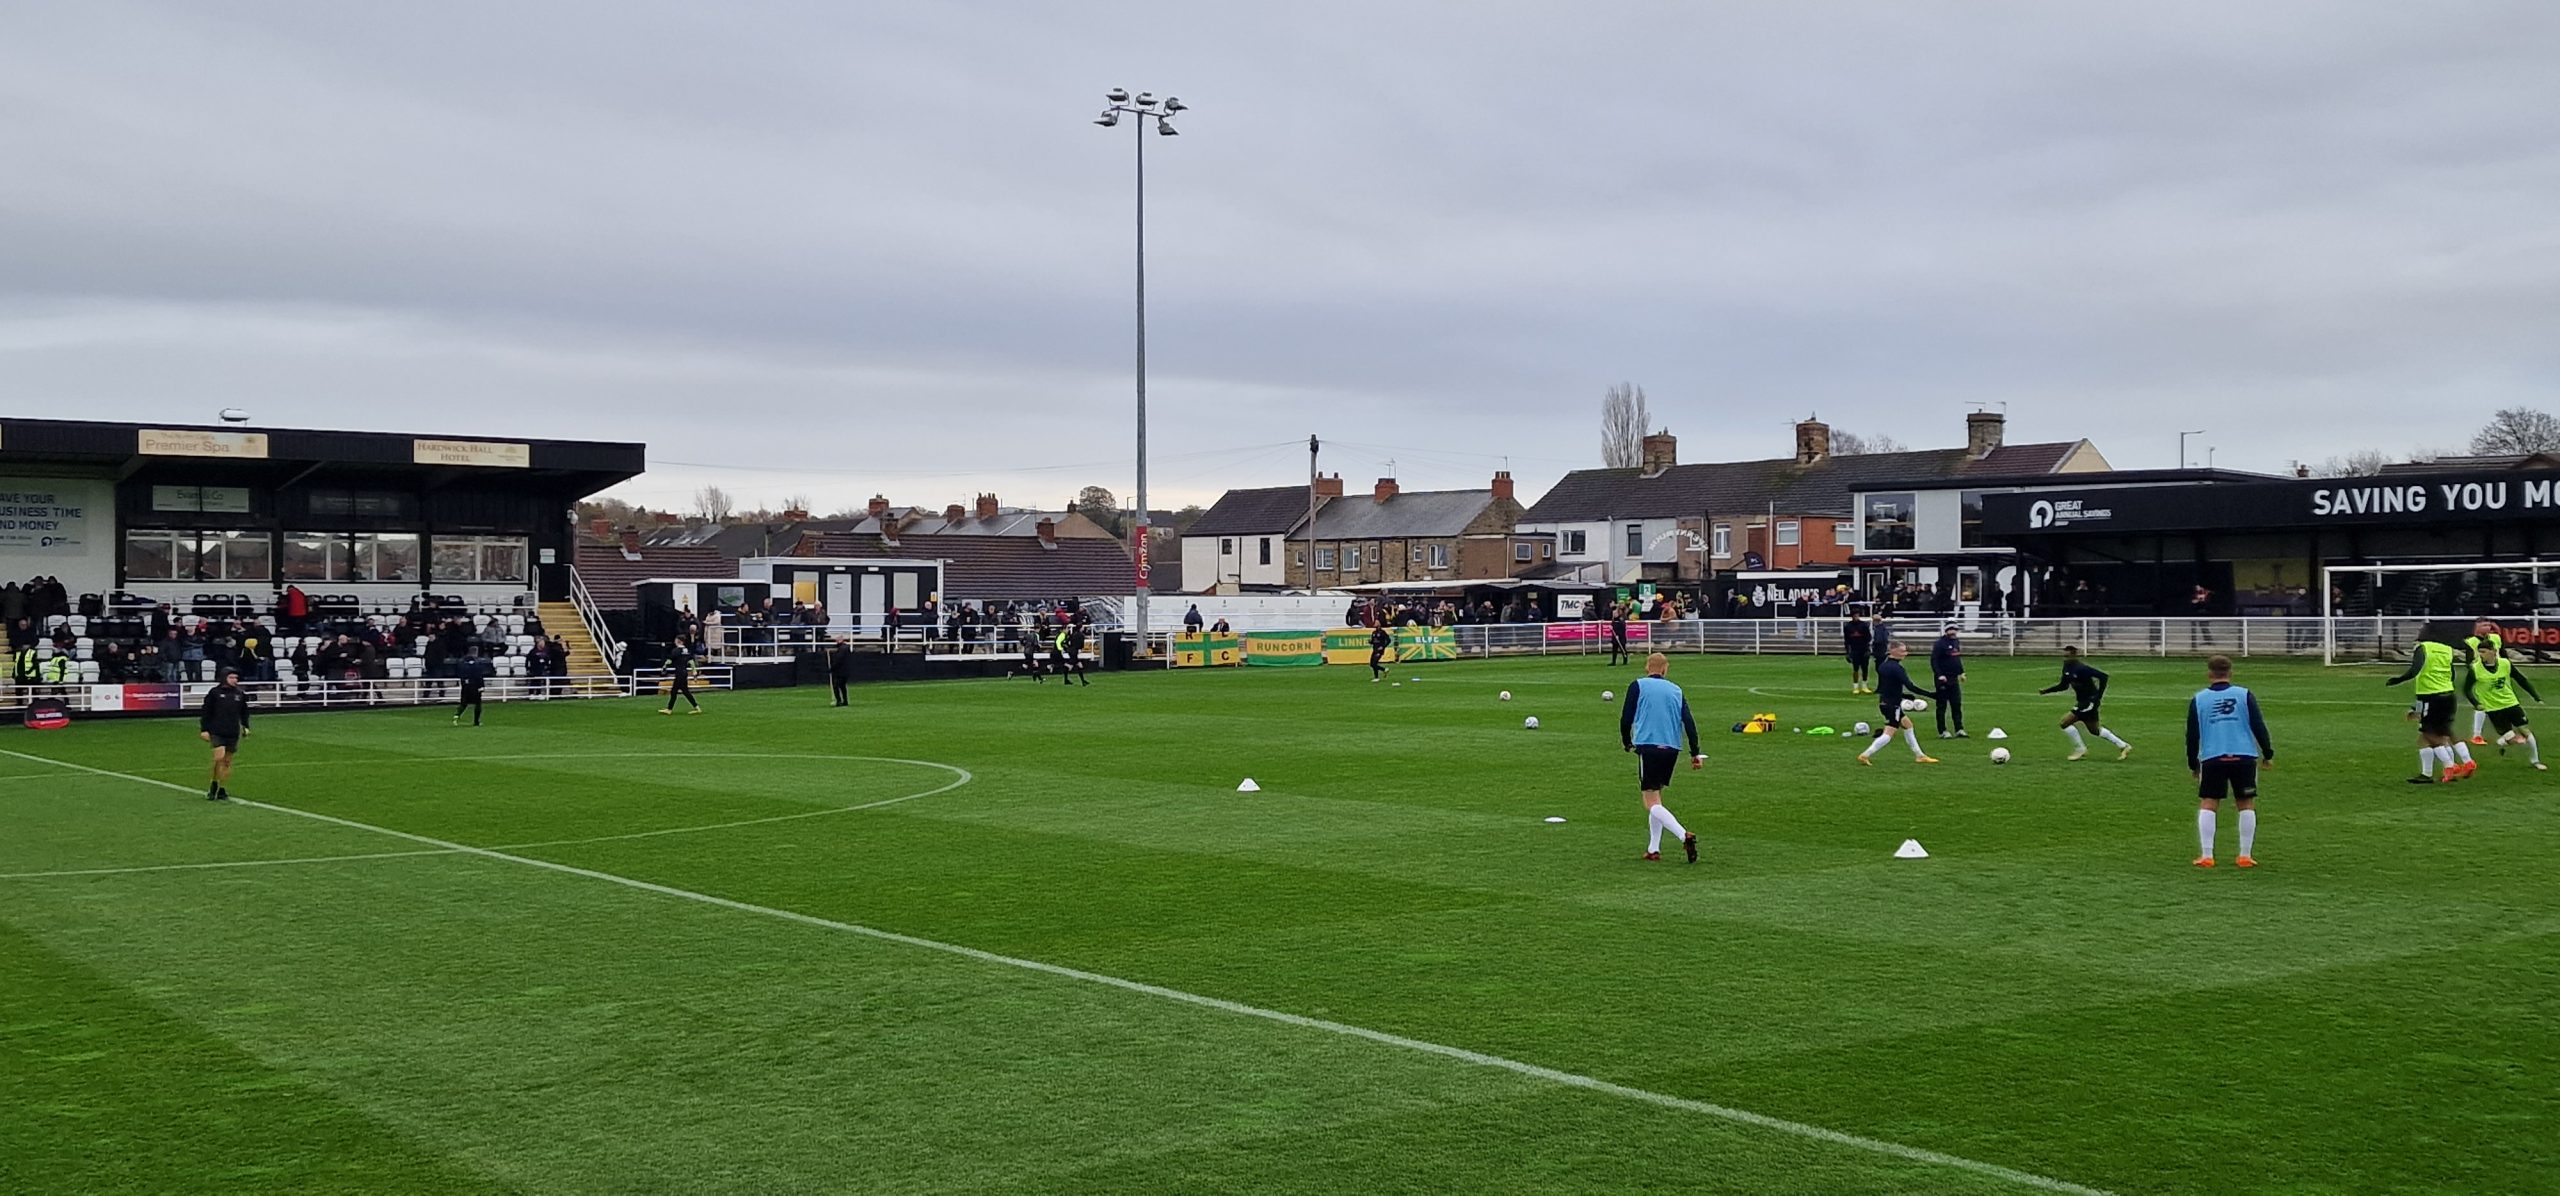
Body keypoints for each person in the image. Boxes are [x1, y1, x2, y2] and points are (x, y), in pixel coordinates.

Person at [2187, 655, 2274, 868]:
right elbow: (2258, 725)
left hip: (2213, 756)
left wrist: (2193, 764)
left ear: (2209, 674)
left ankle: (2207, 856)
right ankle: (2245, 855)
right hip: (2243, 755)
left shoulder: (2199, 699)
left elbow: (2192, 735)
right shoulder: (2244, 695)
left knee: (2209, 802)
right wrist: (2267, 752)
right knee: (2245, 803)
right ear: (2230, 673)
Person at [1619, 652, 1704, 862]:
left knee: (1650, 802)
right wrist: (1695, 753)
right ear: (1665, 669)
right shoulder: (1676, 689)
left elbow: (1626, 717)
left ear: (1647, 668)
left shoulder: (1637, 685)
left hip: (1648, 746)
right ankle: (1653, 849)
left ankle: (1683, 835)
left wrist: (1626, 741)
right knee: (1657, 797)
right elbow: (1689, 723)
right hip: (1671, 748)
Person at [2385, 635, 2466, 783]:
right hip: (2448, 695)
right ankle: (2431, 773)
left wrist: (2398, 680)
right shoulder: (2446, 650)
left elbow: (2415, 669)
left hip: (2430, 696)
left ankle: (2450, 766)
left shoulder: (2423, 648)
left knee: (2428, 734)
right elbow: (2452, 674)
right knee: (2440, 734)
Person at [2466, 638, 2545, 771]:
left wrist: (2535, 696)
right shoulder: (2475, 669)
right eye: (2479, 652)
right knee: (2512, 738)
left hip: (2511, 703)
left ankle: (2535, 761)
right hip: (2493, 709)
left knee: (2526, 732)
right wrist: (2476, 703)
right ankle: (2505, 740)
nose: (2481, 655)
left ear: (2494, 652)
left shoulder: (2505, 664)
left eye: (2484, 652)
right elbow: (2466, 689)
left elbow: (2521, 679)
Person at [2042, 646, 2132, 761]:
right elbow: (2063, 685)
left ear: (2074, 655)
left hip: (2088, 702)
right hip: (2084, 701)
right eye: (2064, 654)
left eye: (2067, 654)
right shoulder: (2067, 667)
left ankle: (2080, 749)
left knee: (2064, 723)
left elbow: (2103, 676)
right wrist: (2047, 691)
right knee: (2095, 730)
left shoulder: (2082, 668)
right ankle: (2124, 746)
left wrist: (2099, 695)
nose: (2064, 656)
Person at [1858, 642, 1940, 766]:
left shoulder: (1883, 666)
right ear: (1893, 651)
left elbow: (1887, 686)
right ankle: (1865, 754)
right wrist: (1931, 695)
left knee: (1908, 725)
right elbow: (1910, 686)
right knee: (1889, 733)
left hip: (1884, 702)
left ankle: (1920, 756)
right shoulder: (1897, 668)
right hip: (1893, 705)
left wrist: (1903, 695)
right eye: (1902, 651)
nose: (1905, 653)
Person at [199, 667, 252, 801]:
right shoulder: (215, 693)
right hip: (217, 731)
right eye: (231, 677)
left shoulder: (239, 694)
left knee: (227, 762)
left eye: (236, 678)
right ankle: (214, 784)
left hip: (232, 731)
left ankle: (222, 788)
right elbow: (206, 712)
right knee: (219, 758)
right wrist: (204, 729)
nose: (234, 680)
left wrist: (245, 727)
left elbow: (244, 713)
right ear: (224, 678)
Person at [2464, 618, 2504, 746]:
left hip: (2498, 674)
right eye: (2484, 625)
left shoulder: (2495, 638)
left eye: (2488, 625)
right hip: (2482, 676)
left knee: (2503, 702)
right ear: (2477, 627)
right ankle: (2476, 735)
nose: (2487, 627)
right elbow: (2469, 661)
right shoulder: (2471, 642)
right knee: (2483, 704)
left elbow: (2502, 654)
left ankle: (2507, 732)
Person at [1931, 623, 1967, 739]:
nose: (1954, 632)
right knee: (1942, 706)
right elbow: (1934, 661)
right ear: (1946, 631)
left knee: (1956, 705)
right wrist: (1939, 675)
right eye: (1951, 630)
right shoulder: (1939, 644)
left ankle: (1959, 729)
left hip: (1954, 679)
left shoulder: (1956, 642)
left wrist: (1961, 672)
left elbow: (1956, 659)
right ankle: (1942, 731)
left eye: (1955, 630)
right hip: (1943, 679)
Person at [453, 646, 491, 726]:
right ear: (476, 652)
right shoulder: (477, 664)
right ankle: (476, 721)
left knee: (464, 703)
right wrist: (481, 686)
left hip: (465, 686)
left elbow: (460, 674)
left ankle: (456, 717)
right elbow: (479, 676)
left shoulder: (462, 663)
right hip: (475, 686)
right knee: (478, 703)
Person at [660, 643, 701, 714]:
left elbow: (669, 660)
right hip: (684, 673)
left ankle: (669, 709)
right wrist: (694, 672)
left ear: (678, 641)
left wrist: (664, 666)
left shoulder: (676, 651)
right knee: (685, 691)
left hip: (679, 673)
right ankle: (697, 707)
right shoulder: (687, 650)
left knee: (674, 691)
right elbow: (691, 662)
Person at [1842, 613, 1872, 694]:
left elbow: (1868, 638)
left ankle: (1864, 686)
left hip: (1864, 649)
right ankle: (1855, 686)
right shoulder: (1848, 626)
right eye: (1854, 616)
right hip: (1854, 650)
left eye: (1857, 615)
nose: (1856, 617)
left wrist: (1868, 650)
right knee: (1855, 668)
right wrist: (1847, 652)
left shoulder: (1864, 625)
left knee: (1865, 668)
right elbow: (1846, 640)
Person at [828, 635, 855, 707]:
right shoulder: (845, 648)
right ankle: (845, 701)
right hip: (845, 671)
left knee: (836, 686)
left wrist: (832, 668)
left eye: (836, 640)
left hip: (840, 671)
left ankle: (839, 701)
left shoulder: (842, 649)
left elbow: (838, 660)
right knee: (842, 686)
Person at [1606, 602, 1631, 668]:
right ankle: (1613, 661)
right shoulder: (1614, 620)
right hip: (1615, 635)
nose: (1614, 614)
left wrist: (1618, 635)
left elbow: (1622, 628)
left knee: (1623, 648)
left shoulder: (1622, 619)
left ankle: (1625, 661)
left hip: (1620, 636)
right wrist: (1611, 627)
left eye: (1615, 613)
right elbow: (1613, 625)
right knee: (1614, 649)